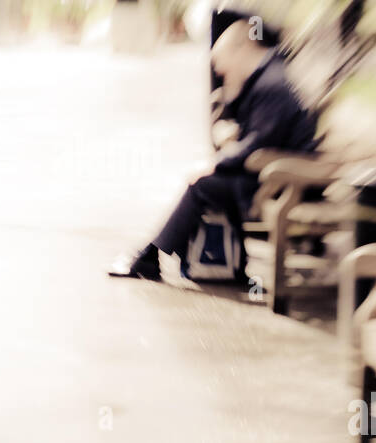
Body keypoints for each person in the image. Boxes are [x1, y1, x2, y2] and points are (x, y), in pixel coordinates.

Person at [109, 19, 315, 281]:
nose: (219, 69)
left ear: (242, 49)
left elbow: (259, 142)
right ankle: (157, 255)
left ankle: (150, 256)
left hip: (285, 181)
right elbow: (261, 137)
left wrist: (217, 163)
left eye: (221, 60)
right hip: (274, 173)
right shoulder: (269, 76)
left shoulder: (271, 83)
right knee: (207, 182)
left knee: (204, 185)